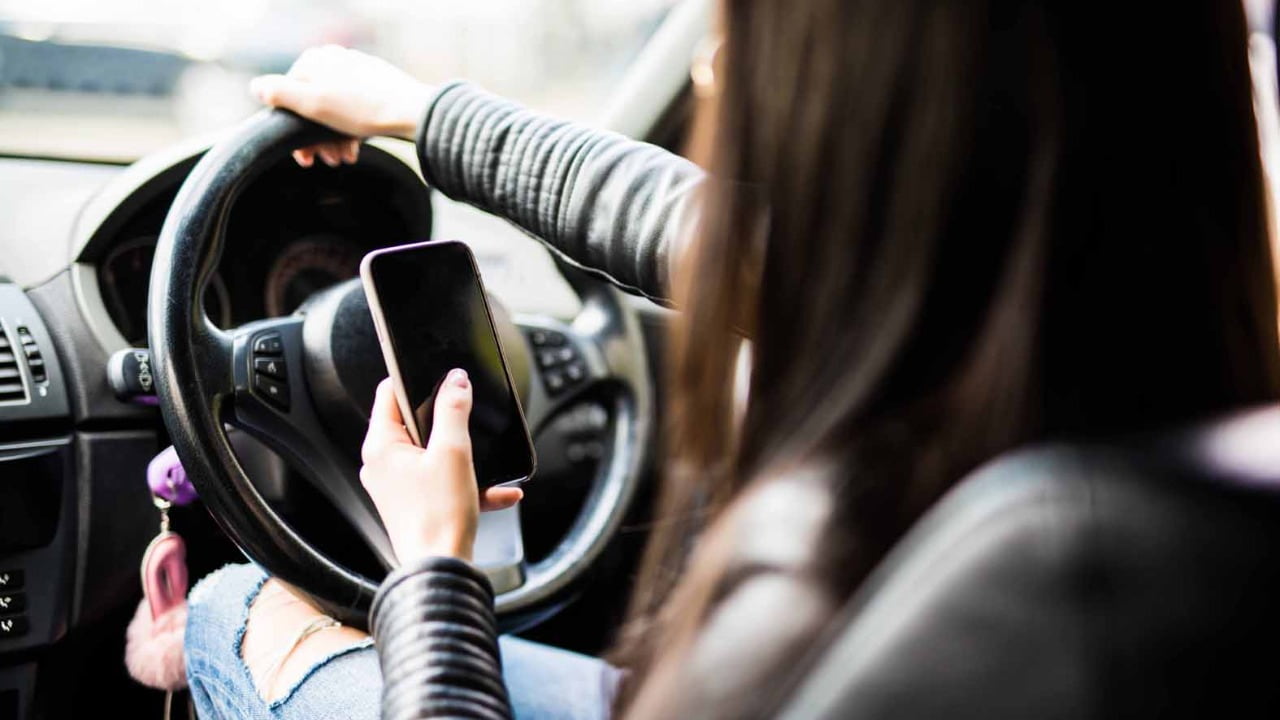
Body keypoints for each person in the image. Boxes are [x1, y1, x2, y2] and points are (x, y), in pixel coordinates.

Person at [183, 1, 1280, 718]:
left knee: (235, 615)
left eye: (746, 34)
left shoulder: (1009, 584)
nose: (714, 68)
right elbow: (724, 238)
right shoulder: (1137, 376)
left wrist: (432, 571)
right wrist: (419, 115)